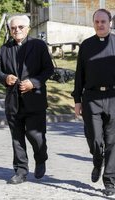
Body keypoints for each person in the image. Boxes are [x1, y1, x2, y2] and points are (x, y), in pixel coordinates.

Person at [0, 14, 54, 184]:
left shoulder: (38, 45)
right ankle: (20, 171)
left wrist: (33, 83)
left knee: (35, 136)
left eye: (20, 27)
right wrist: (5, 78)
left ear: (28, 28)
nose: (16, 30)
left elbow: (49, 69)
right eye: (13, 28)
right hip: (13, 102)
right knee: (17, 138)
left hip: (35, 100)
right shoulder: (4, 49)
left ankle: (41, 157)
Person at [72, 8, 115, 196]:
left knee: (112, 142)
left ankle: (110, 182)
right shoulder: (86, 45)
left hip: (113, 97)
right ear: (93, 23)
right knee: (95, 140)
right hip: (91, 98)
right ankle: (97, 161)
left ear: (110, 22)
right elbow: (79, 74)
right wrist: (77, 100)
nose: (100, 24)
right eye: (97, 21)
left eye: (103, 21)